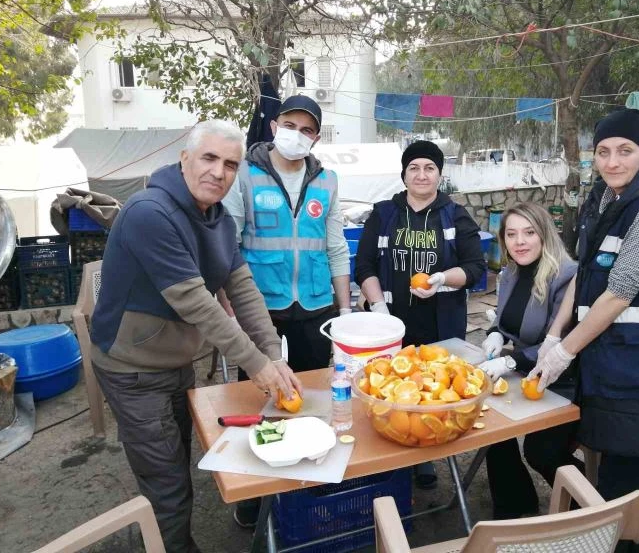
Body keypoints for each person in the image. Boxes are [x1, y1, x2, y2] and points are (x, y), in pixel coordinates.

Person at [90, 119, 301, 553]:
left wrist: (273, 354)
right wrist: (258, 366)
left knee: (174, 462)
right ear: (184, 159)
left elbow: (244, 291)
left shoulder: (218, 221)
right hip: (132, 367)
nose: (218, 172)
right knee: (166, 481)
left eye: (229, 164)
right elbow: (196, 303)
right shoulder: (149, 213)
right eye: (208, 158)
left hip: (174, 360)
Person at [531, 108, 639, 552]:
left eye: (625, 151)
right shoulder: (604, 199)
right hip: (615, 365)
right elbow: (585, 275)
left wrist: (564, 350)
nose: (612, 162)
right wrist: (554, 333)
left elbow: (620, 292)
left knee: (617, 491)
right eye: (603, 152)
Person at [223, 94, 350, 527]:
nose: (299, 134)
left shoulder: (328, 181)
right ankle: (253, 492)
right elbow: (229, 244)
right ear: (275, 126)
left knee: (312, 397)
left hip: (315, 303)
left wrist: (346, 306)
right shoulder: (245, 174)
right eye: (291, 125)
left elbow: (336, 246)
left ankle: (308, 480)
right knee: (259, 398)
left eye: (308, 129)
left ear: (316, 137)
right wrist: (229, 310)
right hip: (259, 307)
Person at [354, 140, 485, 487]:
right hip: (390, 326)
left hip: (439, 325)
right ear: (404, 174)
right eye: (414, 168)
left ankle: (425, 458)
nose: (422, 174)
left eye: (429, 168)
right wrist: (379, 310)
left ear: (440, 175)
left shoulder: (455, 215)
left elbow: (474, 267)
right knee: (388, 390)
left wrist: (441, 279)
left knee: (431, 393)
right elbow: (363, 265)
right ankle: (389, 461)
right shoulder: (383, 213)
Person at [476, 202, 583, 519]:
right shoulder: (510, 272)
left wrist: (510, 362)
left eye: (528, 232)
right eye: (511, 234)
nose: (519, 241)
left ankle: (595, 501)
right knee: (491, 428)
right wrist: (495, 332)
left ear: (545, 235)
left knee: (541, 452)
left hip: (563, 379)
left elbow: (563, 338)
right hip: (525, 372)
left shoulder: (567, 276)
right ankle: (515, 505)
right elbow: (505, 318)